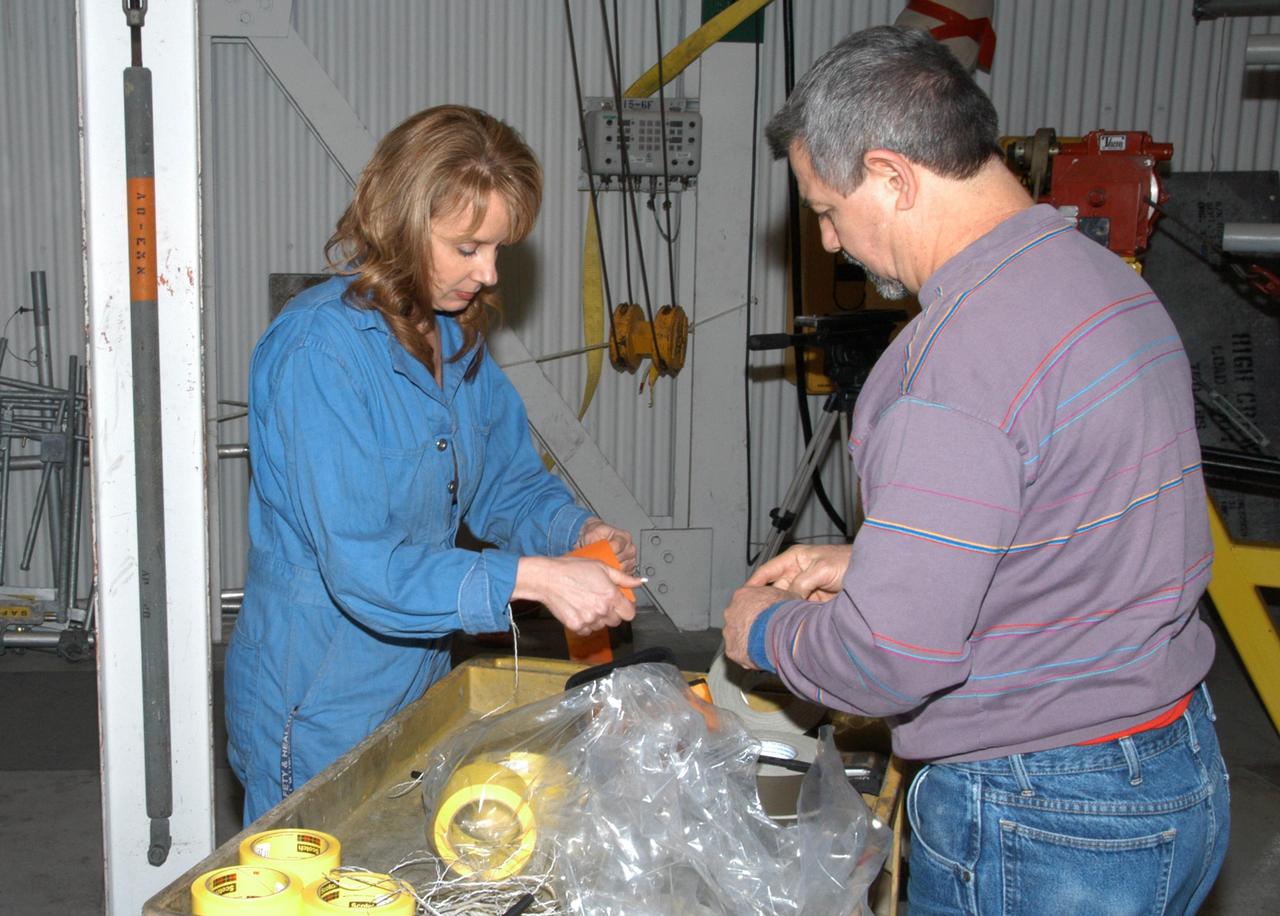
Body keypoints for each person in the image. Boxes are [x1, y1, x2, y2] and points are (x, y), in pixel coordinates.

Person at [722, 26, 1229, 914]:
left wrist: (764, 631)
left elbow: (892, 660)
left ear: (892, 175)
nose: (832, 243)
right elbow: (1083, 517)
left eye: (828, 209)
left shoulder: (948, 366)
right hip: (1176, 767)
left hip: (1045, 815)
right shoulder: (1102, 280)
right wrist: (874, 563)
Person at [225, 105, 642, 824]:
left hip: (416, 680)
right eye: (468, 247)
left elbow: (508, 482)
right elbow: (364, 567)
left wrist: (577, 531)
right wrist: (536, 579)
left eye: (499, 249)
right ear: (401, 224)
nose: (487, 273)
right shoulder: (318, 354)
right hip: (318, 696)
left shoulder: (452, 339)